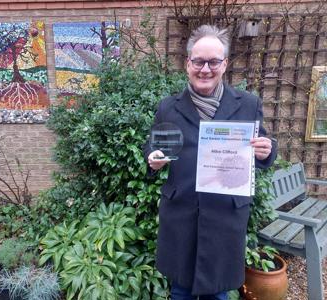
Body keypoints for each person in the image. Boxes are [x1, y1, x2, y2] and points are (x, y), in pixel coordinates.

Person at [144, 25, 277, 300]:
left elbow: (261, 144)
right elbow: (155, 144)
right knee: (180, 289)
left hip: (224, 216)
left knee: (218, 292)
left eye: (213, 61)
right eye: (198, 61)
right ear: (187, 63)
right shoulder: (168, 106)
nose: (205, 69)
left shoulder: (248, 104)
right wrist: (152, 158)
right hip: (181, 214)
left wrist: (267, 150)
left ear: (225, 64)